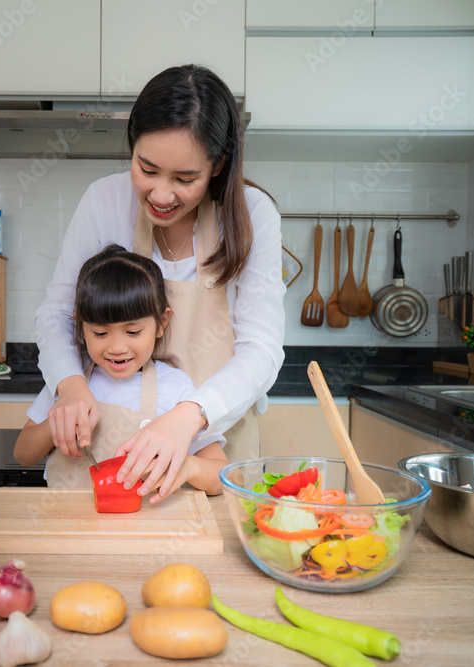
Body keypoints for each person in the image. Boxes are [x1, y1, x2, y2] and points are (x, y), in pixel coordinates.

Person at [33, 64, 285, 502]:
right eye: (147, 170)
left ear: (219, 165)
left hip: (213, 443)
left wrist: (187, 417)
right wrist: (70, 387)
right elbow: (57, 313)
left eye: (185, 179)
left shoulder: (252, 213)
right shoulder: (103, 201)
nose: (162, 195)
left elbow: (261, 348)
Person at [15, 244, 228, 498]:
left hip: (144, 535)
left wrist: (188, 465)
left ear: (162, 323)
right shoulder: (71, 381)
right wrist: (58, 422)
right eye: (100, 333)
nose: (117, 347)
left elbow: (222, 476)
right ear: (80, 327)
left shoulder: (176, 388)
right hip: (68, 530)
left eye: (133, 332)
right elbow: (23, 455)